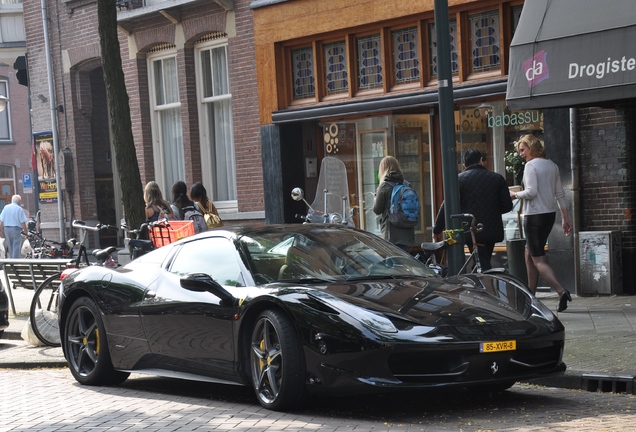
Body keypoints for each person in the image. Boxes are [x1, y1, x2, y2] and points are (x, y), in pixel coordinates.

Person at [510, 134, 572, 312]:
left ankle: (561, 291)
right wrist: (565, 218)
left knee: (538, 258)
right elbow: (560, 194)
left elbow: (530, 192)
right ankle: (531, 295)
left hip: (534, 216)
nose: (521, 154)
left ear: (531, 147)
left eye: (523, 150)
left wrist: (514, 194)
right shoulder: (552, 165)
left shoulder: (531, 166)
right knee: (528, 253)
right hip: (549, 215)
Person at [433, 149, 513, 271]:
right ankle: (482, 281)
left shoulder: (459, 180)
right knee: (482, 259)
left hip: (471, 229)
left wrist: (437, 229)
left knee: (480, 260)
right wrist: (492, 211)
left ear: (464, 165)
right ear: (481, 161)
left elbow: (446, 206)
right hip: (491, 229)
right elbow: (507, 205)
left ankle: (483, 284)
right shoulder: (497, 178)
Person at [372, 156, 415, 251]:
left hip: (392, 236)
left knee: (392, 265)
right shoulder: (406, 184)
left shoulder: (384, 186)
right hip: (408, 235)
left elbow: (377, 210)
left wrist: (375, 199)